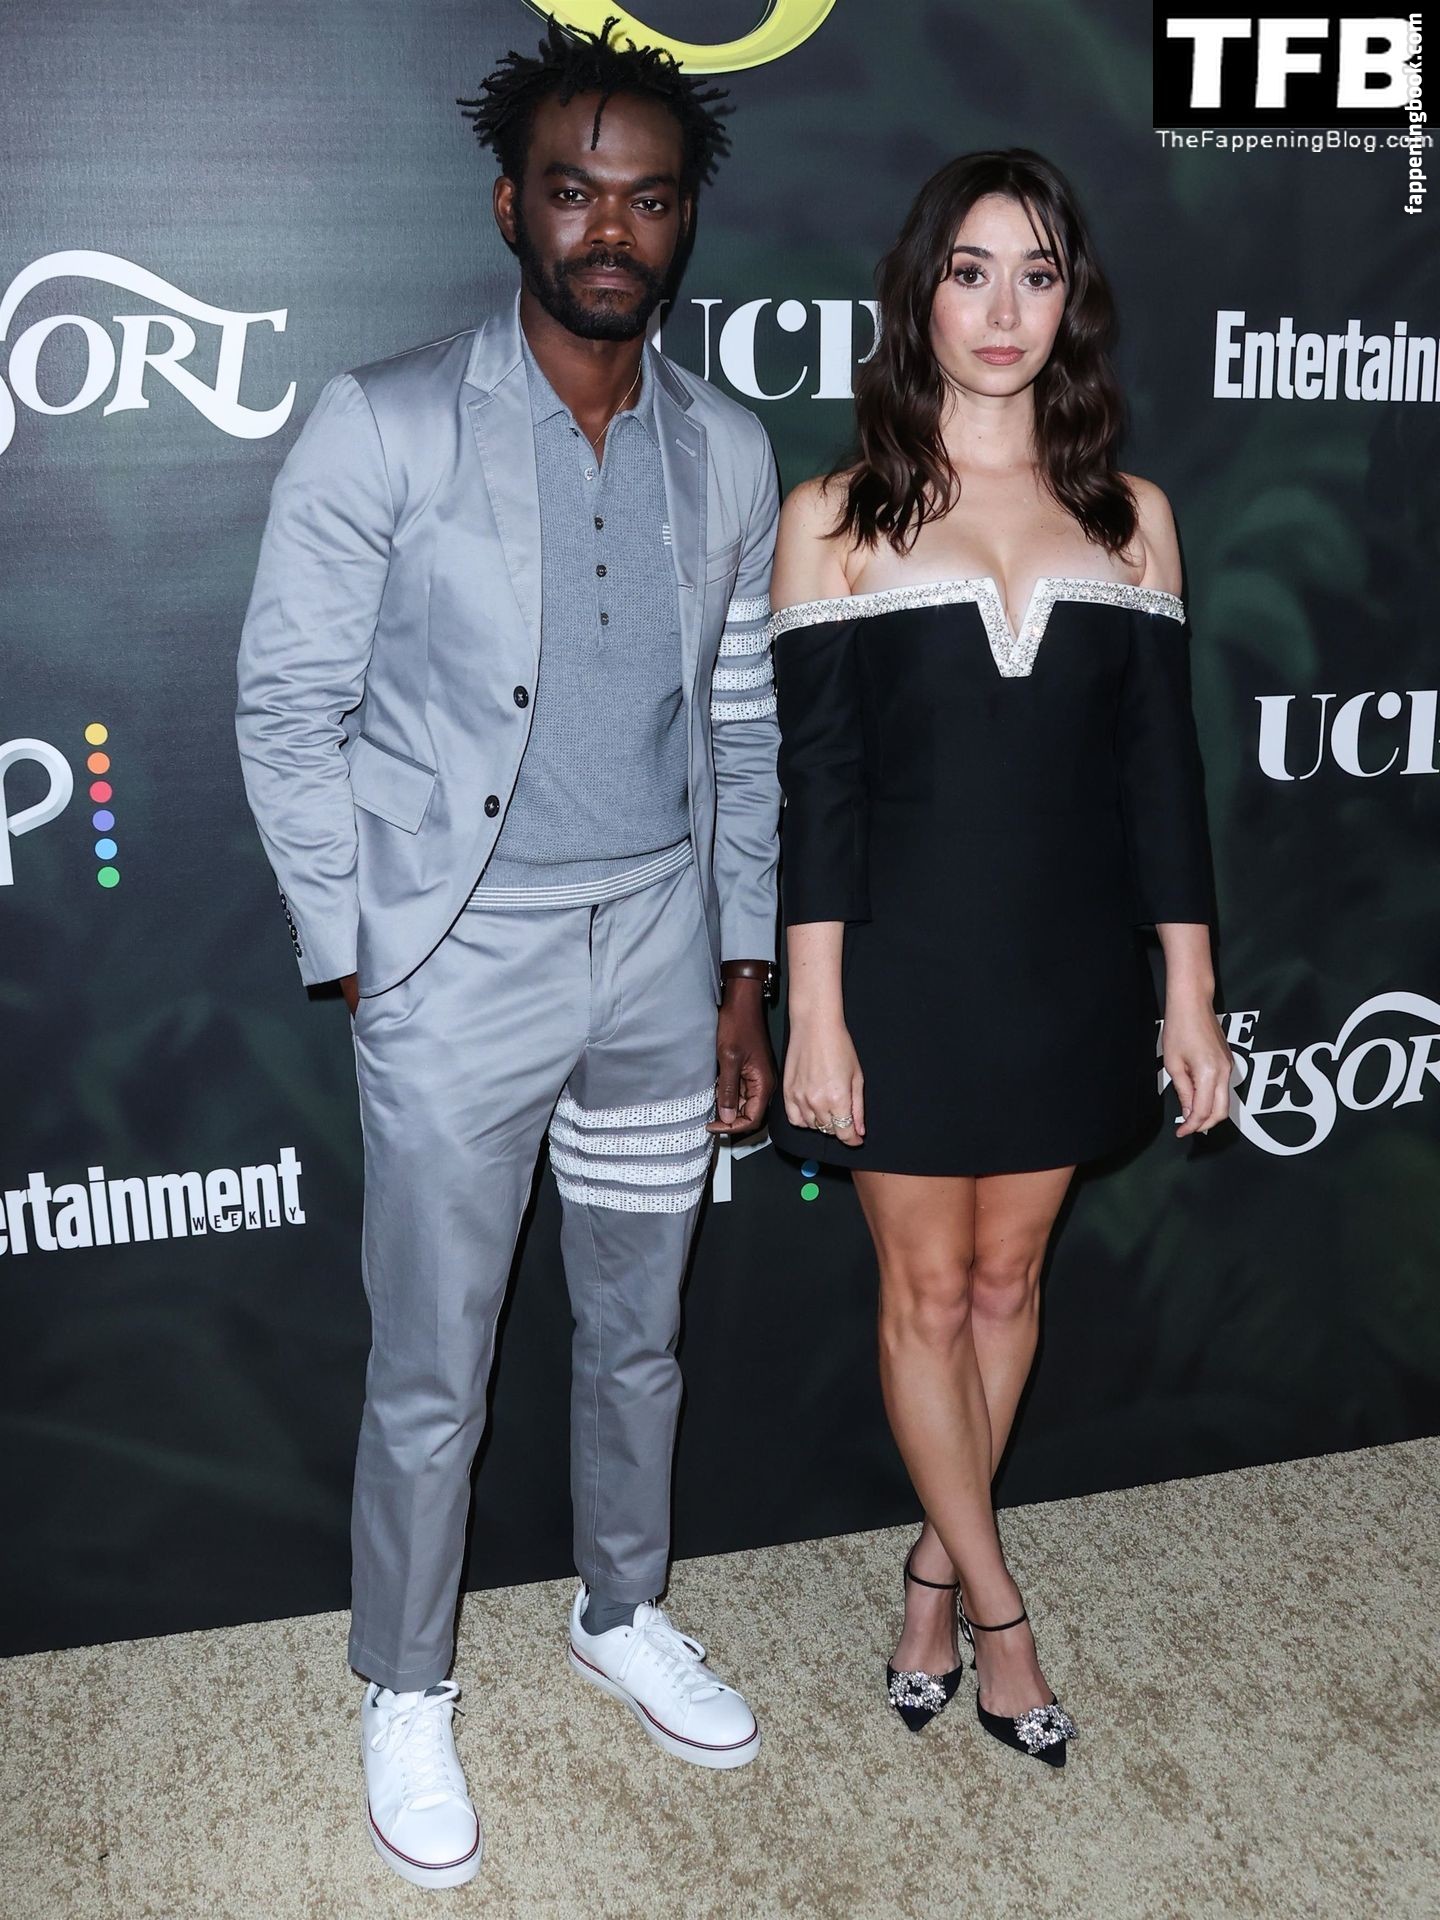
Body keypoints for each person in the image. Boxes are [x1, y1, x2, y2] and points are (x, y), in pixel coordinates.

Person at [235, 17, 781, 1887]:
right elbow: (288, 705)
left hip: (659, 952)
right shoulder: (386, 421)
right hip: (458, 962)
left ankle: (621, 1611)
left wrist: (741, 969)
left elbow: (741, 725)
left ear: (685, 221)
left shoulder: (728, 448)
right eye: (573, 191)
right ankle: (405, 1682)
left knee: (639, 1334)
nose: (608, 228)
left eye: (646, 198)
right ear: (509, 207)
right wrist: (359, 949)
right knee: (434, 1365)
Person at [767, 149, 1232, 1769]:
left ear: (1072, 302)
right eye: (971, 271)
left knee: (1007, 1284)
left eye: (1036, 273)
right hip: (898, 970)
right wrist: (813, 1011)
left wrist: (1191, 995)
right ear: (922, 294)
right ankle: (1001, 1615)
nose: (1002, 308)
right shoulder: (833, 518)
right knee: (922, 1288)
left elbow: (1162, 782)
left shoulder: (1134, 519)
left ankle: (928, 1576)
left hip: (1067, 969)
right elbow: (817, 793)